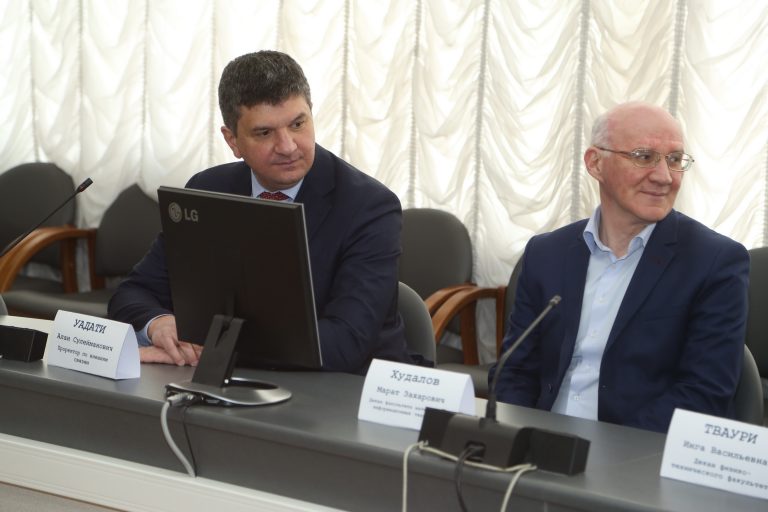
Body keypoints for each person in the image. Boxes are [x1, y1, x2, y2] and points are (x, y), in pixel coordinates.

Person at [108, 50, 416, 374]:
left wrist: (213, 346)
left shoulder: (368, 207)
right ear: (232, 140)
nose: (288, 146)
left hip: (349, 389)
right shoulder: (207, 190)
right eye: (264, 133)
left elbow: (345, 343)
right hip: (235, 383)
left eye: (298, 124)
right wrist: (159, 324)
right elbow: (133, 293)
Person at [491, 101, 749, 433]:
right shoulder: (546, 253)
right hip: (538, 441)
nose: (664, 177)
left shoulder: (715, 262)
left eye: (674, 160)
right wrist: (514, 438)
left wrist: (605, 450)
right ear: (595, 163)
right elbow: (515, 371)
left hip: (637, 451)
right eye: (644, 156)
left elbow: (704, 395)